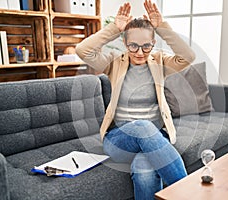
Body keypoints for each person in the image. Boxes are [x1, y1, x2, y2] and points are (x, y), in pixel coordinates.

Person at [76, 0, 195, 199]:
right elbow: (83, 50)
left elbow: (188, 56)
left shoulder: (160, 62)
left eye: (146, 46)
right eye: (133, 46)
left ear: (153, 43)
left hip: (153, 139)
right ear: (124, 43)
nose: (140, 52)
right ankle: (188, 194)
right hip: (118, 141)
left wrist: (162, 27)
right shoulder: (114, 62)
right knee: (142, 126)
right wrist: (114, 28)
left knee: (145, 168)